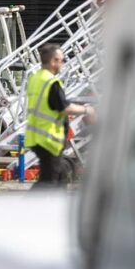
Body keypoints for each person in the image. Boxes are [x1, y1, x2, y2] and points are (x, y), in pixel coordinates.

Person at [26, 44, 95, 189]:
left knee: (58, 176)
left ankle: (52, 207)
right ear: (53, 61)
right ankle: (28, 208)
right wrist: (86, 109)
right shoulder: (51, 82)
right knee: (49, 180)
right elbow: (64, 108)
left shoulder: (36, 78)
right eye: (61, 60)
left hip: (37, 136)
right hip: (48, 138)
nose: (63, 63)